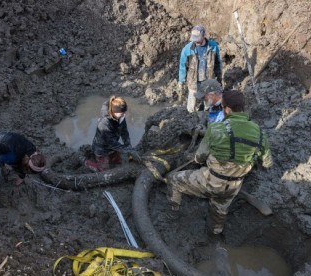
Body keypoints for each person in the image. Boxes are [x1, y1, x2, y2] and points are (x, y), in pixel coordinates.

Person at [166, 89, 272, 235]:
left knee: (173, 180)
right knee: (219, 211)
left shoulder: (217, 129)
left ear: (227, 109)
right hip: (234, 186)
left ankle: (172, 214)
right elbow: (267, 163)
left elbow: (199, 158)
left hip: (211, 182)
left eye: (223, 107)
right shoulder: (260, 133)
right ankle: (215, 233)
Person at [0, 131, 46, 204]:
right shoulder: (13, 157)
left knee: (5, 160)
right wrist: (3, 168)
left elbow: (22, 163)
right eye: (29, 172)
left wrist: (21, 177)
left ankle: (3, 167)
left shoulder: (32, 150)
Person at [84, 96, 142, 172]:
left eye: (124, 112)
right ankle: (87, 163)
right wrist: (129, 151)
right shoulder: (104, 123)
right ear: (114, 112)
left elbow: (124, 133)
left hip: (113, 147)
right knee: (103, 170)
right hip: (102, 148)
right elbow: (112, 143)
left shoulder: (121, 117)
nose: (124, 115)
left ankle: (111, 158)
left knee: (117, 161)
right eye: (122, 113)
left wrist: (129, 146)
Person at [178, 25, 222, 113]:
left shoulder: (213, 47)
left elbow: (217, 63)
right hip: (193, 80)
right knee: (192, 104)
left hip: (208, 79)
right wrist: (181, 81)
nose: (196, 41)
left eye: (197, 39)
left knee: (208, 104)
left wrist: (219, 78)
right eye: (194, 39)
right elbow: (182, 66)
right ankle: (191, 116)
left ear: (203, 36)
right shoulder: (187, 49)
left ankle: (206, 116)